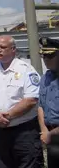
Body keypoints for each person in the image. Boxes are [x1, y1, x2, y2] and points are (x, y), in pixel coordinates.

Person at [0, 35, 44, 168]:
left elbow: (31, 100)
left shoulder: (26, 70)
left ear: (13, 49)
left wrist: (7, 116)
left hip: (24, 132)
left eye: (2, 47)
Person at [38, 36, 59, 167]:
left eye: (50, 56)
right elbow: (40, 105)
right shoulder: (45, 77)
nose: (46, 60)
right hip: (52, 137)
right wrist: (44, 130)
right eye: (44, 56)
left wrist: (49, 134)